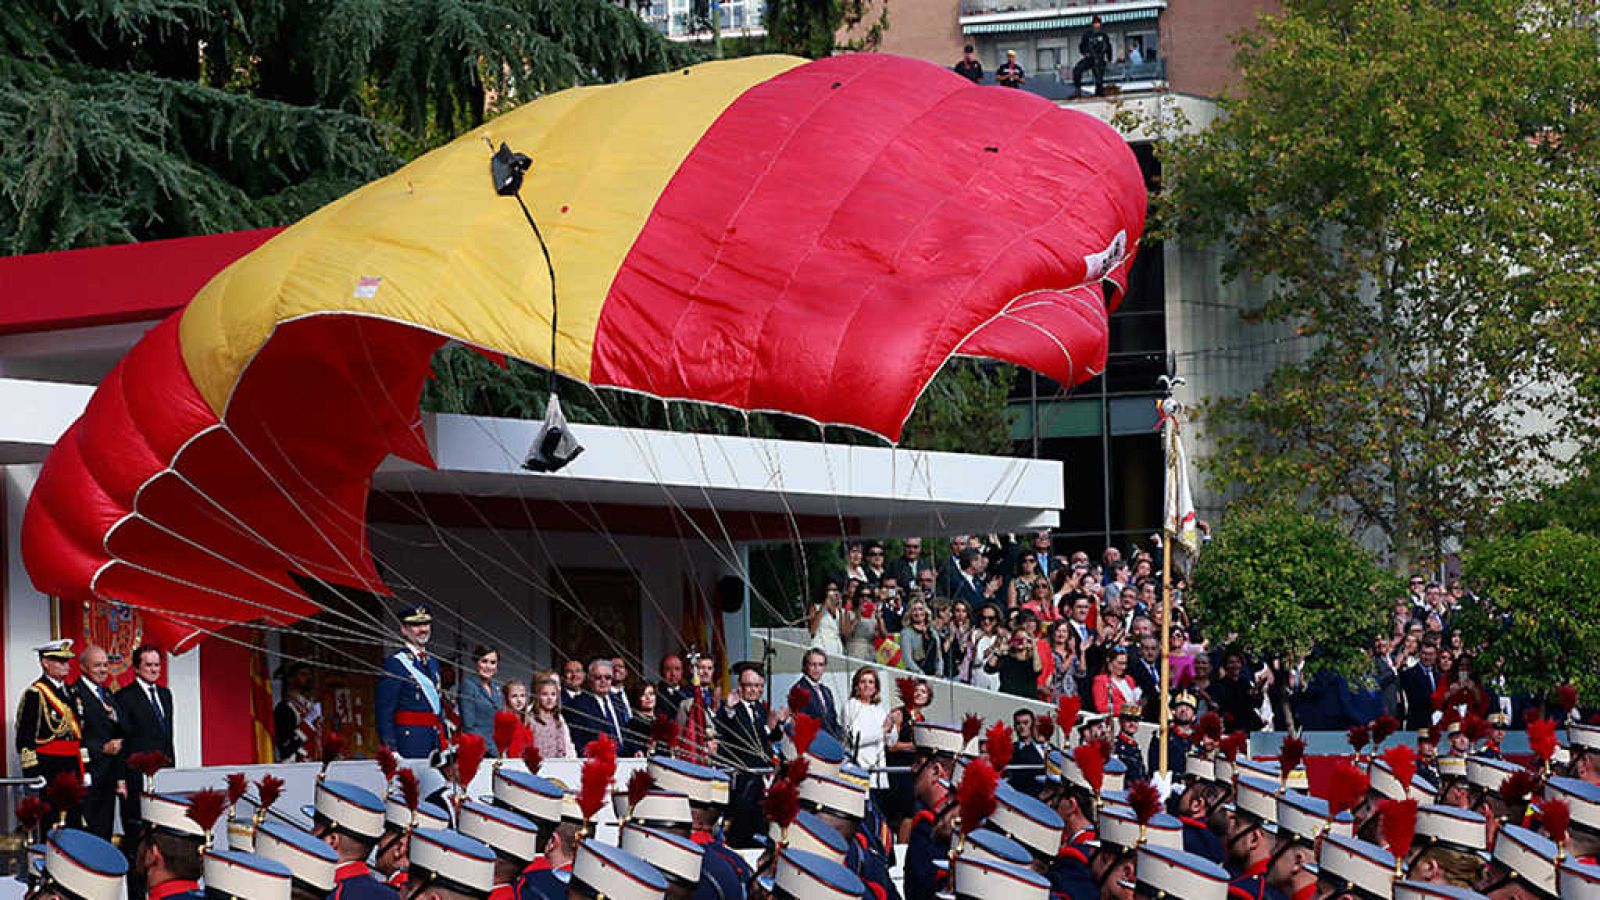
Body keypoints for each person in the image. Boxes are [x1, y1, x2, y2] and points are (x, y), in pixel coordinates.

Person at [714, 662, 783, 848]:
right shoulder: (731, 709)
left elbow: (770, 737)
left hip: (761, 779)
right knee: (744, 828)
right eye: (751, 686)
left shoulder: (760, 708)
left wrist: (776, 724)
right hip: (742, 781)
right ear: (740, 686)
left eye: (759, 686)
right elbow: (732, 732)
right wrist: (728, 709)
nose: (755, 690)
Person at [18, 639, 87, 819]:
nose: (66, 665)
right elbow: (25, 737)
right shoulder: (36, 694)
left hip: (72, 766)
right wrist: (33, 773)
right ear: (45, 663)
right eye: (60, 661)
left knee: (74, 819)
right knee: (52, 818)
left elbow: (79, 734)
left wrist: (84, 768)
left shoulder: (72, 693)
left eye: (67, 661)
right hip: (49, 767)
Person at [117, 642, 175, 846]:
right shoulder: (124, 697)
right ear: (136, 668)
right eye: (149, 665)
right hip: (136, 777)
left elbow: (168, 736)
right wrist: (121, 778)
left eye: (157, 665)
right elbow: (122, 741)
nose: (153, 669)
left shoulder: (165, 695)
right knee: (138, 834)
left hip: (163, 773)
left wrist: (171, 770)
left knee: (164, 833)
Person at [376, 605, 448, 759]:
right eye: (416, 625)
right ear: (404, 630)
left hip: (434, 739)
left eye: (426, 624)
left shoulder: (432, 661)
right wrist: (391, 747)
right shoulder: (395, 663)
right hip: (409, 742)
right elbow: (384, 710)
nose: (423, 629)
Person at [310, 780, 398, 900]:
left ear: (332, 841)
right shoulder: (391, 895)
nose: (309, 835)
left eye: (314, 829)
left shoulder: (326, 893)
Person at [74, 644, 125, 840]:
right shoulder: (75, 694)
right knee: (88, 835)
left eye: (105, 665)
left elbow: (122, 728)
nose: (103, 670)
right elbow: (74, 735)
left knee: (105, 832)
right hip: (87, 773)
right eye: (97, 666)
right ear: (84, 667)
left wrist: (114, 716)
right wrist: (100, 748)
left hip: (108, 776)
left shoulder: (108, 694)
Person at [565, 659, 626, 751]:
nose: (603, 681)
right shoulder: (579, 704)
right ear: (590, 679)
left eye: (608, 677)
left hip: (626, 761)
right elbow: (578, 740)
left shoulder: (618, 701)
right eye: (598, 677)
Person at [842, 668, 891, 782]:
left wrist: (892, 728)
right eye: (863, 682)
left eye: (871, 682)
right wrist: (882, 731)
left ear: (876, 687)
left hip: (878, 774)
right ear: (856, 685)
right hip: (858, 771)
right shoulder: (850, 706)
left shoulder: (880, 709)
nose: (867, 686)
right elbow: (854, 740)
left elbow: (890, 742)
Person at [274, 662, 322, 763]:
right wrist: (307, 724)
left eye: (310, 675)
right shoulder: (284, 708)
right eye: (303, 674)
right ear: (290, 680)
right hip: (296, 767)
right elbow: (285, 748)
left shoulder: (310, 707)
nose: (309, 678)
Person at [793, 649, 843, 738]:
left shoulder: (826, 691)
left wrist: (842, 735)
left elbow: (833, 721)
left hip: (830, 743)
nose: (817, 669)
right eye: (813, 664)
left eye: (820, 665)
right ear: (805, 666)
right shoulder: (799, 690)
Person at [459, 646, 502, 747]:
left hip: (497, 747)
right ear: (476, 662)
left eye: (493, 662)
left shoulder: (496, 688)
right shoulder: (468, 686)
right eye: (484, 661)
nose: (488, 666)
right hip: (478, 747)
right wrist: (493, 749)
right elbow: (469, 726)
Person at [526, 673, 575, 760]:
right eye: (545, 694)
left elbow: (562, 748)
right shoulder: (530, 718)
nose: (550, 698)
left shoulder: (558, 720)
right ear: (538, 696)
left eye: (553, 694)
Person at [985, 628, 1042, 699]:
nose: (1021, 641)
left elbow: (1037, 670)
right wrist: (999, 651)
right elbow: (989, 668)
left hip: (1027, 700)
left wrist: (1034, 647)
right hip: (1007, 698)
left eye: (1024, 639)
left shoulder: (1032, 661)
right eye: (1018, 639)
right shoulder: (1006, 659)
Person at [1399, 642, 1442, 730]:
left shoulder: (1438, 675)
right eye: (1424, 654)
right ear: (1419, 654)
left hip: (1437, 723)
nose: (1427, 657)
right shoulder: (1409, 674)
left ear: (1436, 656)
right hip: (1418, 723)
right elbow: (1415, 698)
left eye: (1431, 654)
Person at [1091, 646, 1139, 714]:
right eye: (1120, 663)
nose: (1123, 667)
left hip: (1133, 720)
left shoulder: (1129, 679)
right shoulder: (1101, 680)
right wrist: (1126, 708)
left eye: (1125, 663)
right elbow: (1101, 707)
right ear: (1110, 662)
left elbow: (1136, 703)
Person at [809, 582, 848, 663]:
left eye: (835, 590)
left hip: (835, 646)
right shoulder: (816, 607)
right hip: (820, 643)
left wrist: (840, 611)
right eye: (830, 590)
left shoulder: (842, 611)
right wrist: (824, 607)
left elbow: (843, 633)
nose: (833, 593)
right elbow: (812, 630)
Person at [623, 683, 661, 757]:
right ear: (637, 698)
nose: (648, 698)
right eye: (643, 695)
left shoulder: (662, 721)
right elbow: (632, 747)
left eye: (651, 694)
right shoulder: (633, 724)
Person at [657, 655, 689, 721]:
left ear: (682, 671)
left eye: (677, 669)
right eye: (668, 669)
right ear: (661, 672)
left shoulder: (689, 693)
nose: (673, 674)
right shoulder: (656, 693)